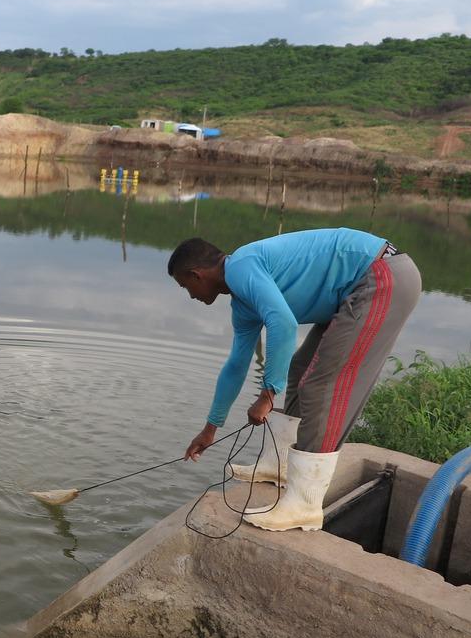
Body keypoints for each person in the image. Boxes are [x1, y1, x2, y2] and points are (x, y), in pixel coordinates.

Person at [167, 228, 421, 531]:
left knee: (321, 384)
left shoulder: (241, 267)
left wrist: (267, 394)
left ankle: (304, 503)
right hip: (357, 283)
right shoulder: (242, 302)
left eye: (186, 287)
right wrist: (210, 429)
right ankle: (281, 466)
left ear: (197, 275)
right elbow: (236, 364)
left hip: (380, 276)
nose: (191, 296)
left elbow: (283, 323)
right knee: (301, 367)